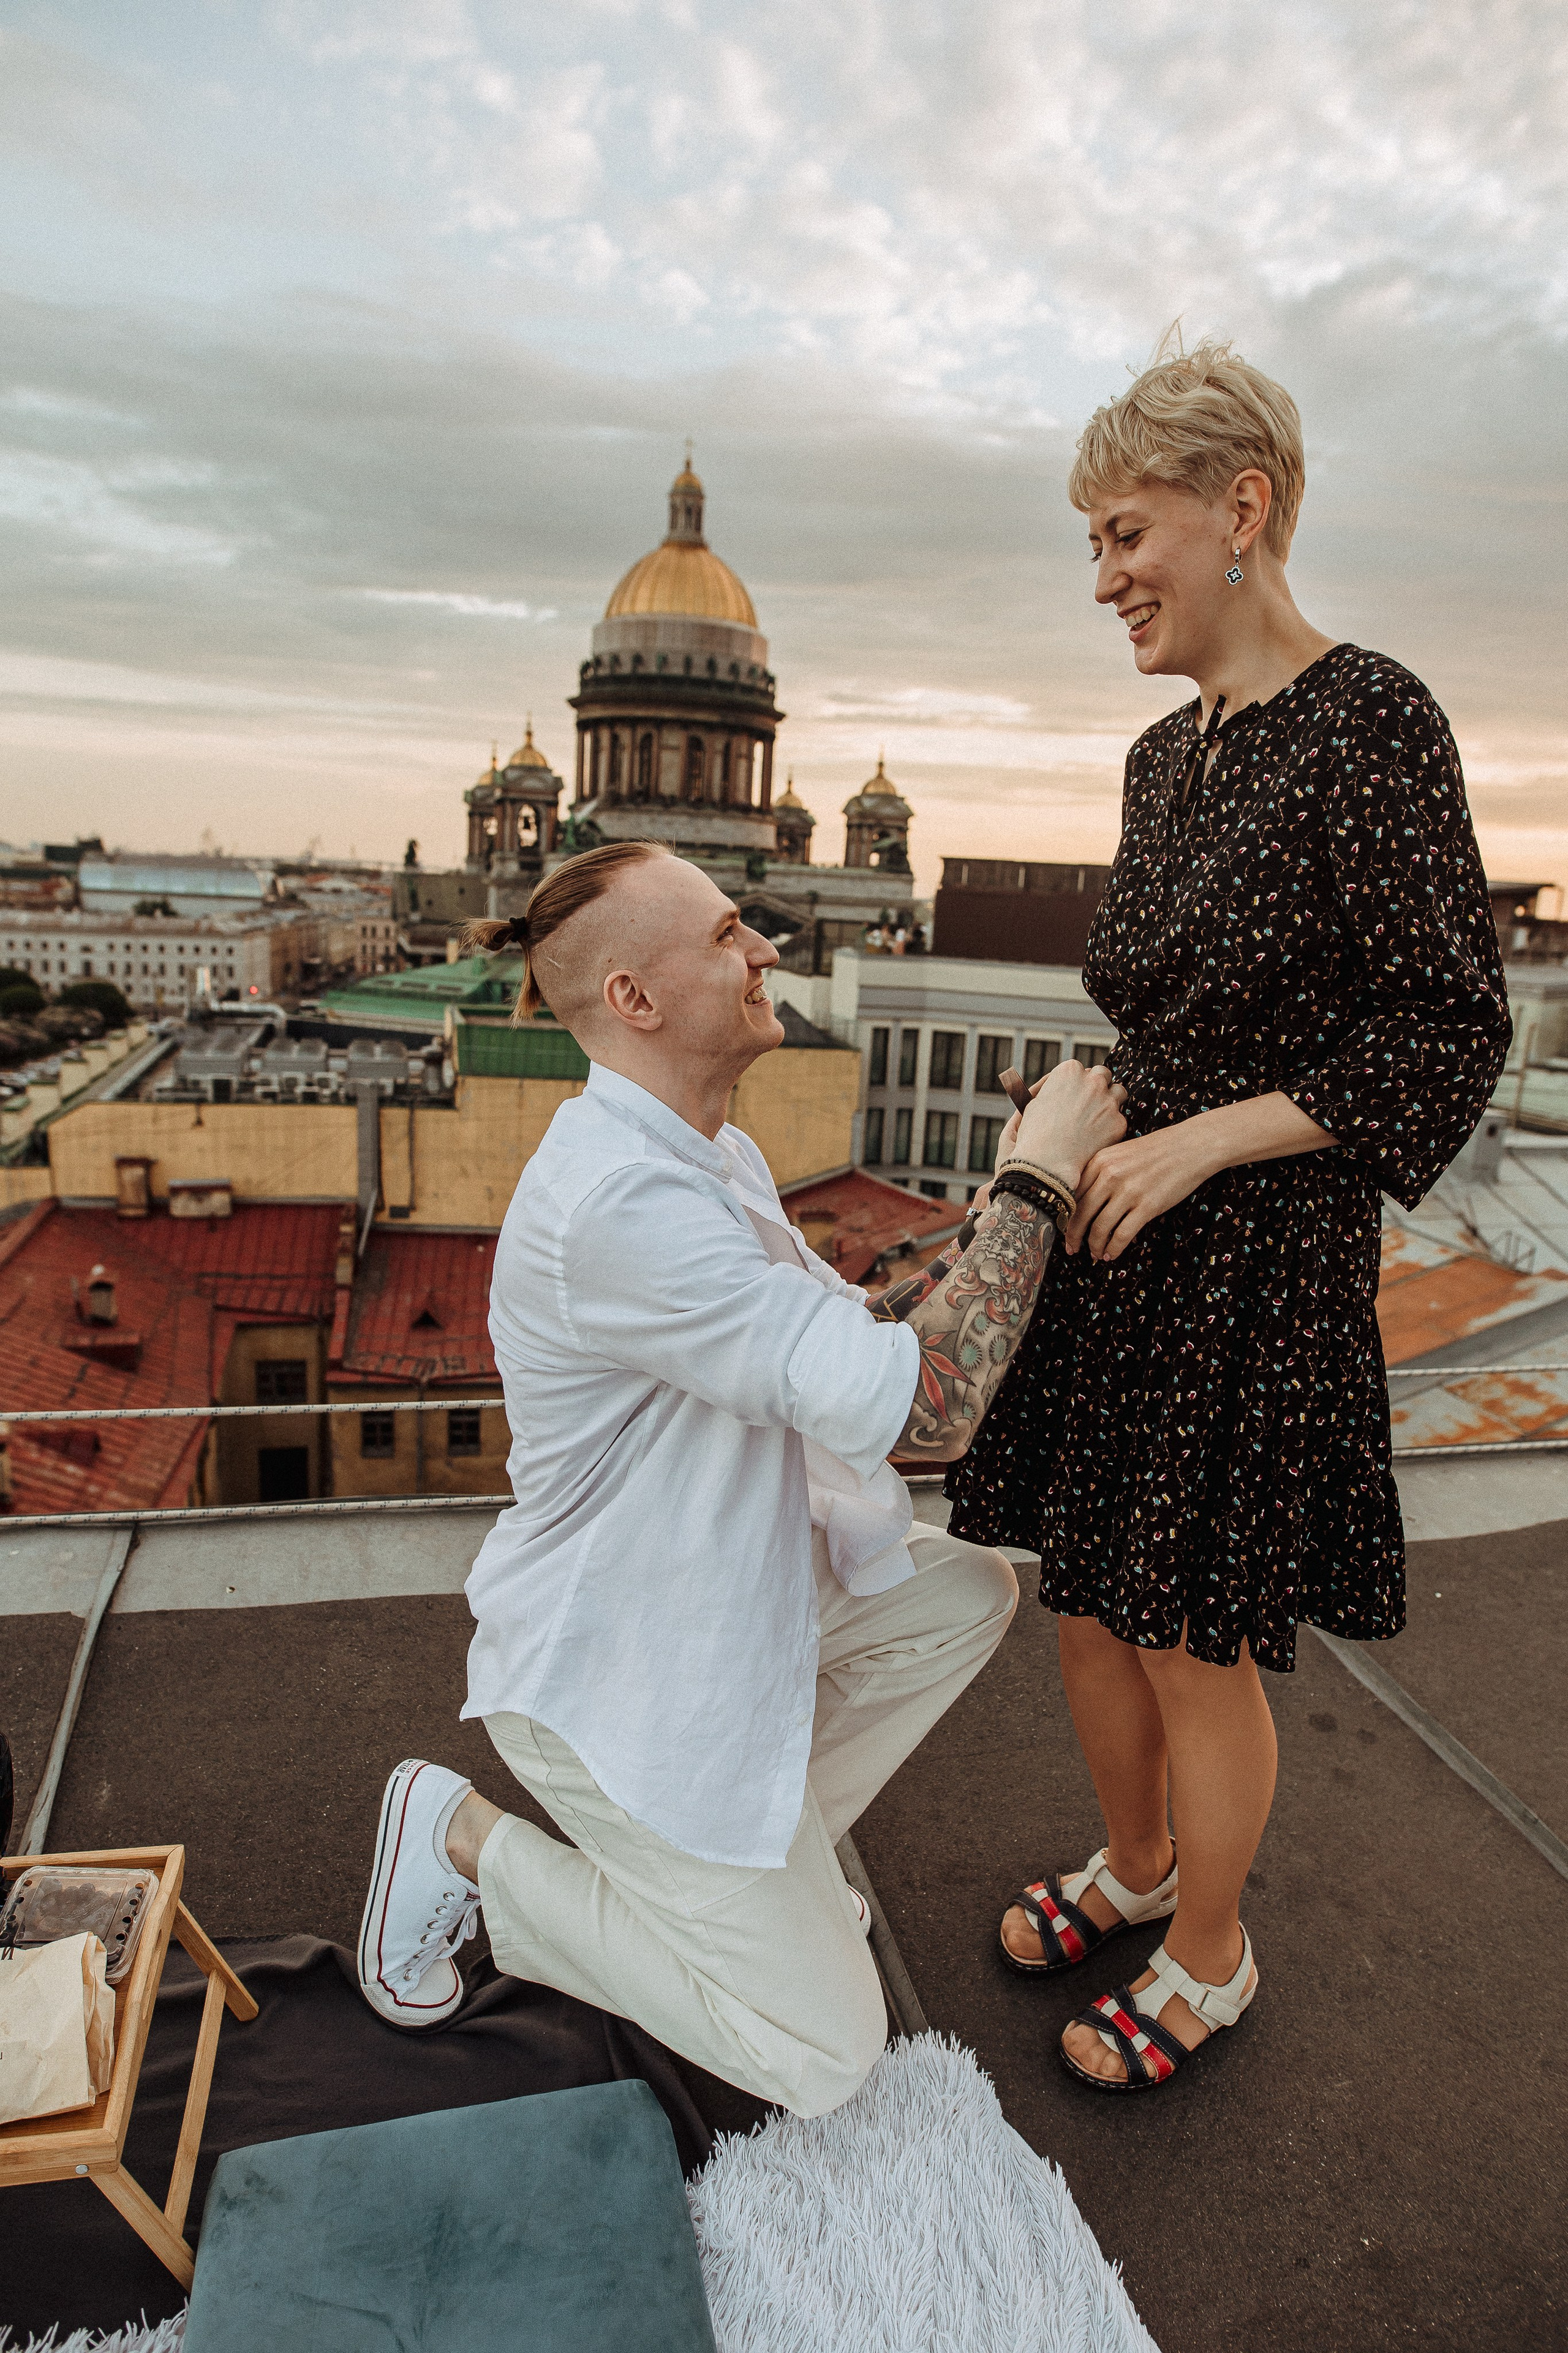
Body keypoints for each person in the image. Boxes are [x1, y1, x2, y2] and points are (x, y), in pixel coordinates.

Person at [948, 335, 1510, 2093]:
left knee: (1198, 1637)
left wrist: (1200, 1147)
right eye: (1093, 546)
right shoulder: (1158, 757)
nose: (1105, 577)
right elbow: (1164, 1007)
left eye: (1127, 534)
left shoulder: (1373, 719)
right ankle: (1136, 1862)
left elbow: (1446, 1029)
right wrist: (1085, 1137)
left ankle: (1213, 1952)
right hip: (1121, 1238)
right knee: (1090, 1599)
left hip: (1259, 1258)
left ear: (1241, 511)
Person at [355, 840, 1125, 2117]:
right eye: (723, 936)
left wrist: (997, 1205)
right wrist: (1034, 1179)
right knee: (826, 2054)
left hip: (709, 1602)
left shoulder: (704, 1153)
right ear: (632, 1001)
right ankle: (463, 1841)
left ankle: (736, 1882)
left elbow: (865, 1336)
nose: (765, 947)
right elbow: (926, 1411)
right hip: (616, 1676)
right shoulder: (623, 1205)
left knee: (962, 1595)